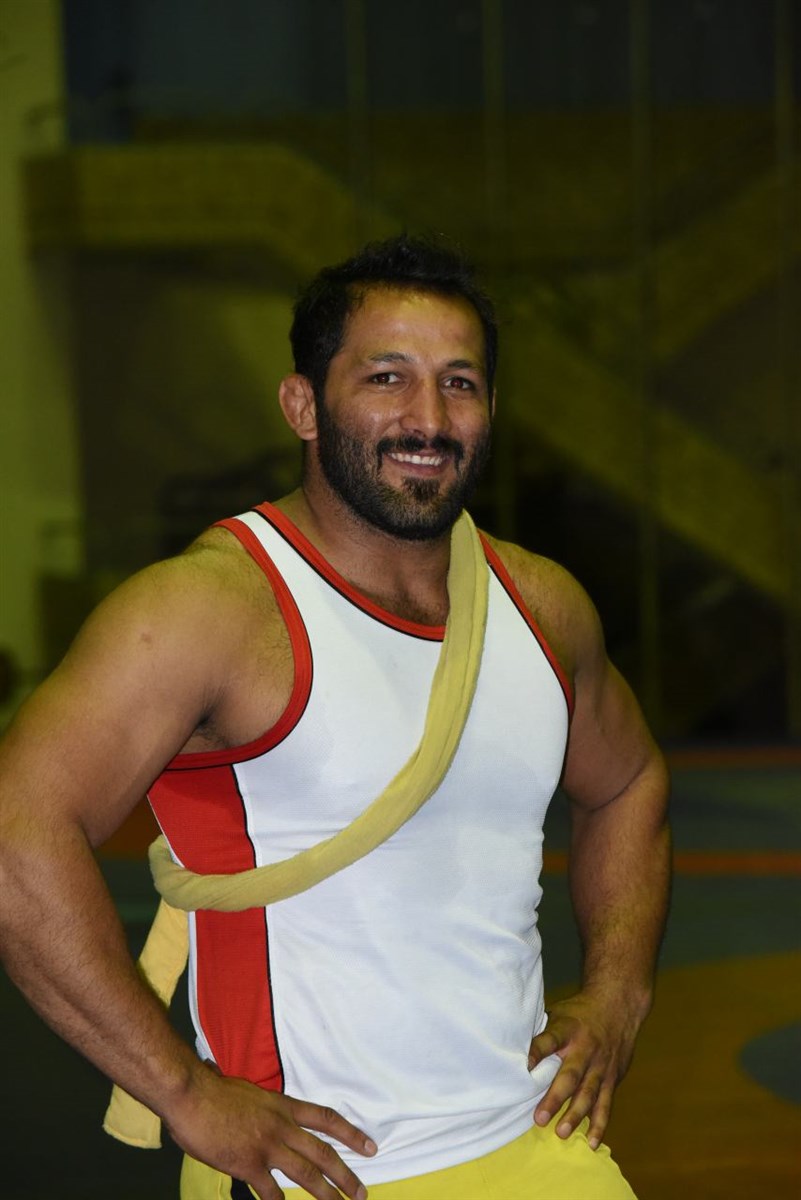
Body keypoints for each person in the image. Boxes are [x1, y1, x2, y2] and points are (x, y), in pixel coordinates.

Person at [0, 235, 670, 1200]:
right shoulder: (209, 611)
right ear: (303, 405)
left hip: (539, 1147)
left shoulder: (543, 606)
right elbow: (19, 831)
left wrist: (618, 992)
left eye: (459, 383)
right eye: (386, 378)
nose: (427, 418)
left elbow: (629, 781)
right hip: (316, 1176)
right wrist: (182, 1090)